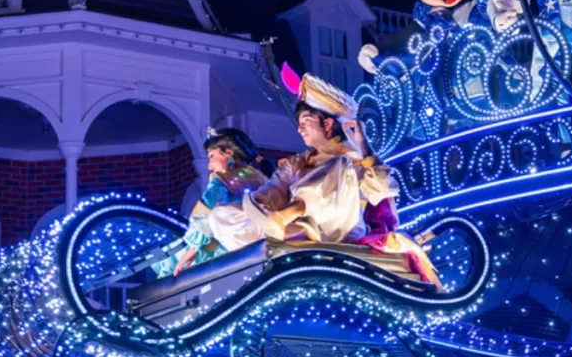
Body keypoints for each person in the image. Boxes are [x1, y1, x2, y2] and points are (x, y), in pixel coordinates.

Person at [243, 72, 442, 289]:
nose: (299, 128)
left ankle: (285, 216)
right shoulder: (298, 161)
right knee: (224, 213)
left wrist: (364, 146)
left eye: (306, 121)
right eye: (299, 123)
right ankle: (274, 222)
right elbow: (276, 186)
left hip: (342, 233)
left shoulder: (353, 160)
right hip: (297, 231)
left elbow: (381, 191)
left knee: (339, 165)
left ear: (327, 124)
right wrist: (259, 202)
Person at [151, 127, 271, 278]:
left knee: (166, 255)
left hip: (227, 246)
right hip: (260, 238)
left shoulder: (222, 179)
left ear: (229, 153)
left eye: (212, 156)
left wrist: (192, 249)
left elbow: (203, 213)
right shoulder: (260, 177)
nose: (209, 165)